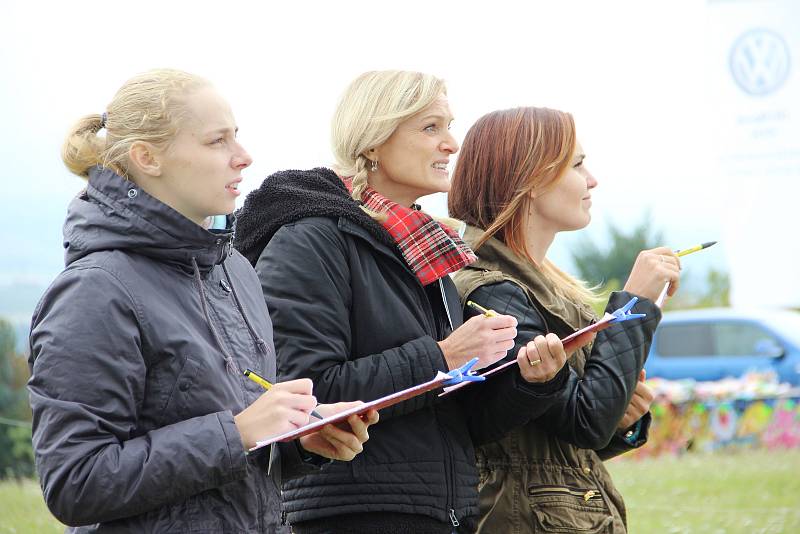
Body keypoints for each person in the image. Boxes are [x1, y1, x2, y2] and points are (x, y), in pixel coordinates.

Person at [28, 68, 377, 533]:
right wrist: (239, 432)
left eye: (237, 138)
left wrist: (296, 437)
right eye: (217, 141)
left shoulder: (236, 272)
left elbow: (234, 456)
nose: (244, 157)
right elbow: (75, 482)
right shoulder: (95, 290)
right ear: (147, 157)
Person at [234, 71, 578, 534]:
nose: (452, 144)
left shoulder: (424, 246)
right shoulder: (311, 238)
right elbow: (307, 398)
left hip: (437, 513)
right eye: (431, 127)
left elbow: (455, 421)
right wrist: (444, 356)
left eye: (449, 126)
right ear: (373, 142)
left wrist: (533, 382)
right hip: (352, 516)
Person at [448, 107, 674, 533]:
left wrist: (622, 422)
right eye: (578, 164)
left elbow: (555, 441)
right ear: (531, 180)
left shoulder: (539, 284)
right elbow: (584, 420)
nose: (592, 180)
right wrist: (636, 302)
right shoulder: (492, 291)